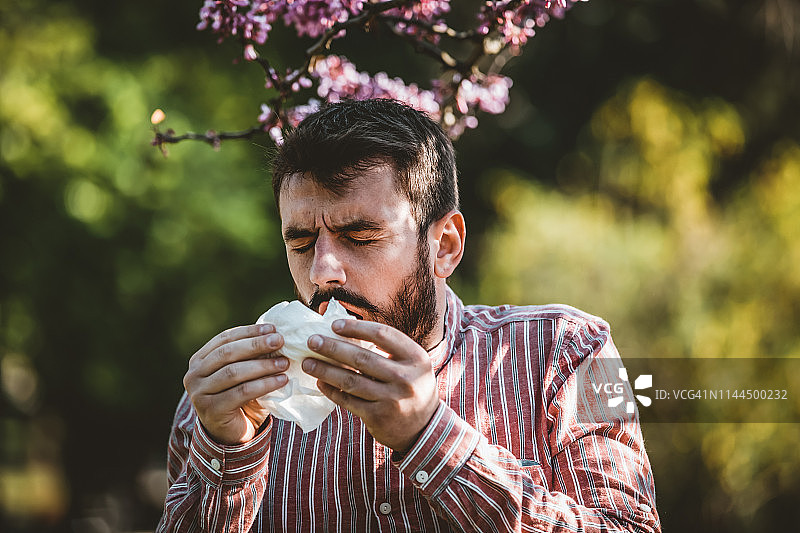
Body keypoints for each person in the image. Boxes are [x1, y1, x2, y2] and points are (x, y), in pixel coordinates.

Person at [157, 98, 660, 532]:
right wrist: (229, 459)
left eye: (362, 237)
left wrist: (431, 437)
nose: (324, 271)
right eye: (302, 242)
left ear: (445, 245)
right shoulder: (229, 399)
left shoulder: (571, 351)